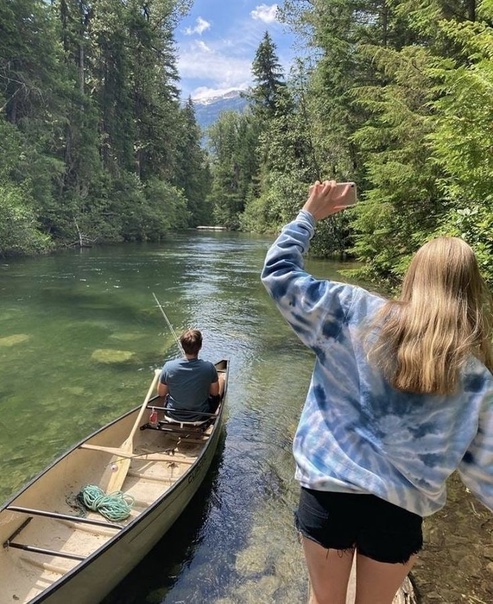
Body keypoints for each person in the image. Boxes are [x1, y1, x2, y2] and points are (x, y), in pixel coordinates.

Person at [261, 180, 493, 604]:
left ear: (412, 276)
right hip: (400, 512)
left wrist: (309, 215)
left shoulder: (352, 310)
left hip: (329, 494)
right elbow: (485, 473)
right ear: (472, 291)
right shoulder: (476, 376)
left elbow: (278, 274)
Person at [158, 329, 224, 422]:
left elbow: (161, 393)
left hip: (172, 414)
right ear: (200, 346)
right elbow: (214, 393)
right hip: (201, 416)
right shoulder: (209, 367)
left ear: (182, 346)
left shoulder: (168, 366)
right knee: (222, 379)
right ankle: (215, 413)